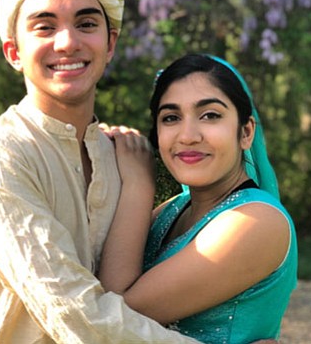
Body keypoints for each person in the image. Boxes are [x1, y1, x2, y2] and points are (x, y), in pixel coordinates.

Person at [0, 0, 206, 343]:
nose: (68, 42)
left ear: (110, 42)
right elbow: (75, 311)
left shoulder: (122, 156)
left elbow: (133, 296)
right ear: (13, 52)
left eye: (86, 23)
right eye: (44, 27)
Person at [99, 54, 298, 343]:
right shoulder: (174, 210)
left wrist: (139, 183)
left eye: (210, 115)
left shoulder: (257, 221)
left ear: (245, 132)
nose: (188, 136)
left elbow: (113, 318)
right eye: (171, 118)